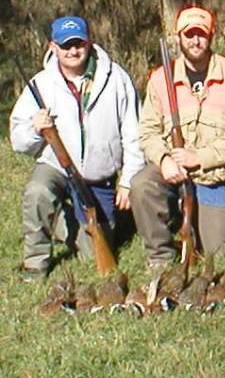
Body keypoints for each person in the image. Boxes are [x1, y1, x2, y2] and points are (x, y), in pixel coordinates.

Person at [9, 15, 145, 281]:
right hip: (56, 165)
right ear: (52, 47)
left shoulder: (116, 79)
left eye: (78, 44)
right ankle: (35, 264)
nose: (73, 51)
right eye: (65, 45)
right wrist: (35, 129)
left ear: (89, 42)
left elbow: (134, 133)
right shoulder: (40, 84)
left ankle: (61, 220)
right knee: (37, 192)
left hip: (98, 173)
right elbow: (18, 141)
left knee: (93, 253)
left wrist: (127, 181)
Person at [131, 6, 225, 267]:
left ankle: (203, 223)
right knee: (141, 185)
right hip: (172, 171)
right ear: (178, 38)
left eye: (201, 34)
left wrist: (198, 157)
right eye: (189, 35)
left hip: (216, 173)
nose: (195, 40)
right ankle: (160, 256)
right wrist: (164, 159)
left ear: (211, 35)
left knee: (215, 254)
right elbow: (147, 132)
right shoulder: (159, 79)